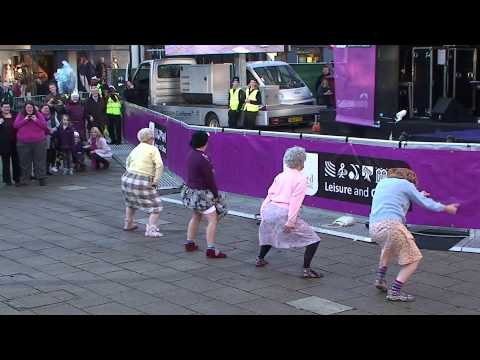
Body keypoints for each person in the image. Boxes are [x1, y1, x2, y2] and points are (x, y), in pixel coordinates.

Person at [369, 168, 459, 302]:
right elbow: (425, 203)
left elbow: (397, 197)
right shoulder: (407, 185)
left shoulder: (383, 182)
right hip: (392, 227)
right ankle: (395, 292)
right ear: (410, 179)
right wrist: (446, 208)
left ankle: (380, 279)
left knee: (387, 249)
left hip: (374, 227)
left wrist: (418, 194)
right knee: (413, 260)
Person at [257, 146, 323, 278]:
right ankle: (306, 270)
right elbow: (295, 202)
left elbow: (269, 194)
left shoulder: (280, 176)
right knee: (313, 240)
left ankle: (260, 258)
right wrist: (291, 222)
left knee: (269, 235)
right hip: (284, 212)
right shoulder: (301, 179)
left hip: (269, 209)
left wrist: (263, 212)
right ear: (300, 162)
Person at [181, 131, 228, 258]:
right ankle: (211, 249)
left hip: (191, 192)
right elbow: (210, 180)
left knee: (196, 216)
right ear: (205, 142)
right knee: (213, 220)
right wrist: (216, 194)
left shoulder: (191, 155)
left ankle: (190, 242)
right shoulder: (203, 159)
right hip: (202, 195)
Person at [121, 128, 164, 237]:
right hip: (142, 179)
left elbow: (128, 162)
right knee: (156, 206)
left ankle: (128, 223)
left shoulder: (136, 148)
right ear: (150, 139)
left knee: (131, 202)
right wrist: (155, 181)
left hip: (127, 178)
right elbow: (159, 165)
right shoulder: (153, 149)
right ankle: (151, 229)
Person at [14, 102, 49, 186]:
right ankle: (25, 179)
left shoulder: (38, 114)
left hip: (38, 142)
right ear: (25, 108)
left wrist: (36, 120)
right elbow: (15, 126)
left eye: (31, 107)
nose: (29, 109)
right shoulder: (21, 115)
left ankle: (41, 178)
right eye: (28, 108)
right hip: (23, 143)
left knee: (40, 161)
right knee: (24, 162)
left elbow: (44, 126)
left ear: (33, 108)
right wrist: (25, 120)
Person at [0, 102, 19, 185]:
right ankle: (7, 179)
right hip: (4, 143)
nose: (7, 109)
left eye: (8, 107)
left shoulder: (15, 114)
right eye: (5, 107)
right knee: (5, 162)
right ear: (1, 108)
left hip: (15, 141)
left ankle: (17, 178)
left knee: (16, 161)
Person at [40, 104, 60, 175]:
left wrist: (52, 129)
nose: (46, 110)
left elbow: (58, 125)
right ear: (41, 109)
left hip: (51, 138)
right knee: (43, 155)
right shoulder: (39, 117)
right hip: (42, 138)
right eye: (45, 108)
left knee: (50, 154)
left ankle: (47, 169)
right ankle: (42, 170)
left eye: (47, 108)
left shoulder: (52, 117)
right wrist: (47, 130)